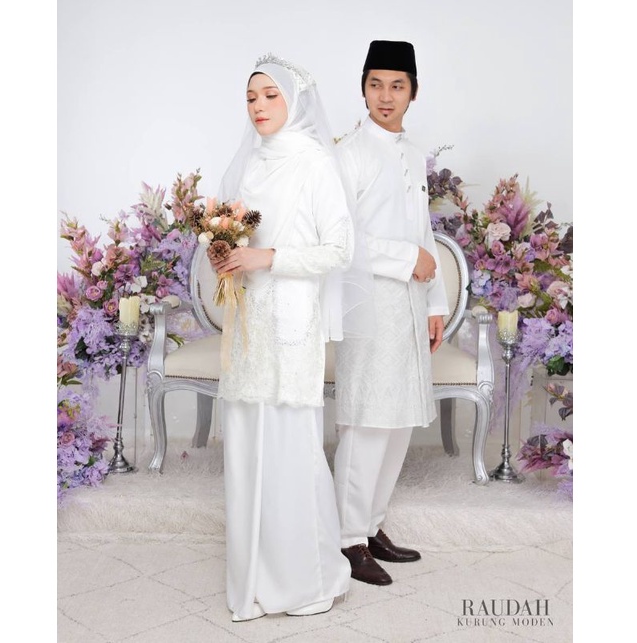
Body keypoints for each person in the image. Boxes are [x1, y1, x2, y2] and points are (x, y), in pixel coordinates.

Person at [212, 53, 357, 622]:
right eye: (251, 96)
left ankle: (304, 580)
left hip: (292, 320)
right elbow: (240, 242)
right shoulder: (251, 163)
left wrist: (266, 256)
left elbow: (339, 250)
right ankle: (252, 579)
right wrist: (225, 252)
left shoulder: (315, 162)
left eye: (271, 95)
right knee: (247, 440)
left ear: (294, 101)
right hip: (249, 319)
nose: (259, 106)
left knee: (291, 446)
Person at [333, 40, 450, 586]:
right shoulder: (349, 153)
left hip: (409, 303)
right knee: (367, 420)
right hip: (368, 302)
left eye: (397, 85)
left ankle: (372, 525)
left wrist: (436, 303)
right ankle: (347, 539)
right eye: (376, 84)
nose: (385, 95)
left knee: (399, 418)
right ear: (363, 89)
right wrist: (407, 260)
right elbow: (341, 239)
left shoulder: (413, 152)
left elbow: (423, 231)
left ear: (413, 92)